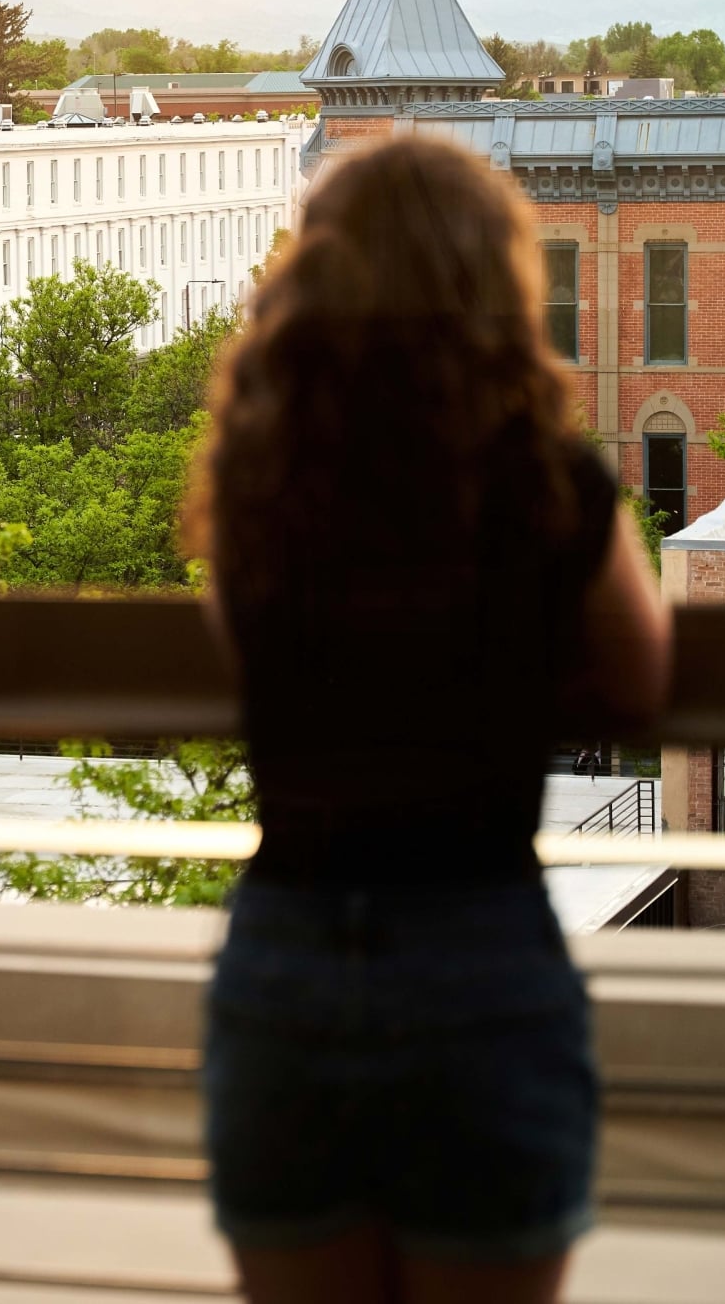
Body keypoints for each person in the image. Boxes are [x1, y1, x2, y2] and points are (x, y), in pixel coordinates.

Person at [190, 136, 671, 1304]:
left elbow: (243, 653)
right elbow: (640, 678)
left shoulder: (257, 482)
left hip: (288, 959)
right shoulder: (544, 481)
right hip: (478, 954)